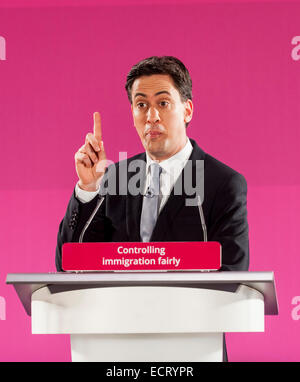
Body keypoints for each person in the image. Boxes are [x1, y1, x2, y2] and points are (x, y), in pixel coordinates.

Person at [55, 56, 249, 360]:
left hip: (192, 347)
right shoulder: (114, 178)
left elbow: (232, 274)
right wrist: (89, 188)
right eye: (141, 104)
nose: (152, 116)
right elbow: (70, 263)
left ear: (187, 110)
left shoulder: (222, 183)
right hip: (117, 348)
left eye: (163, 103)